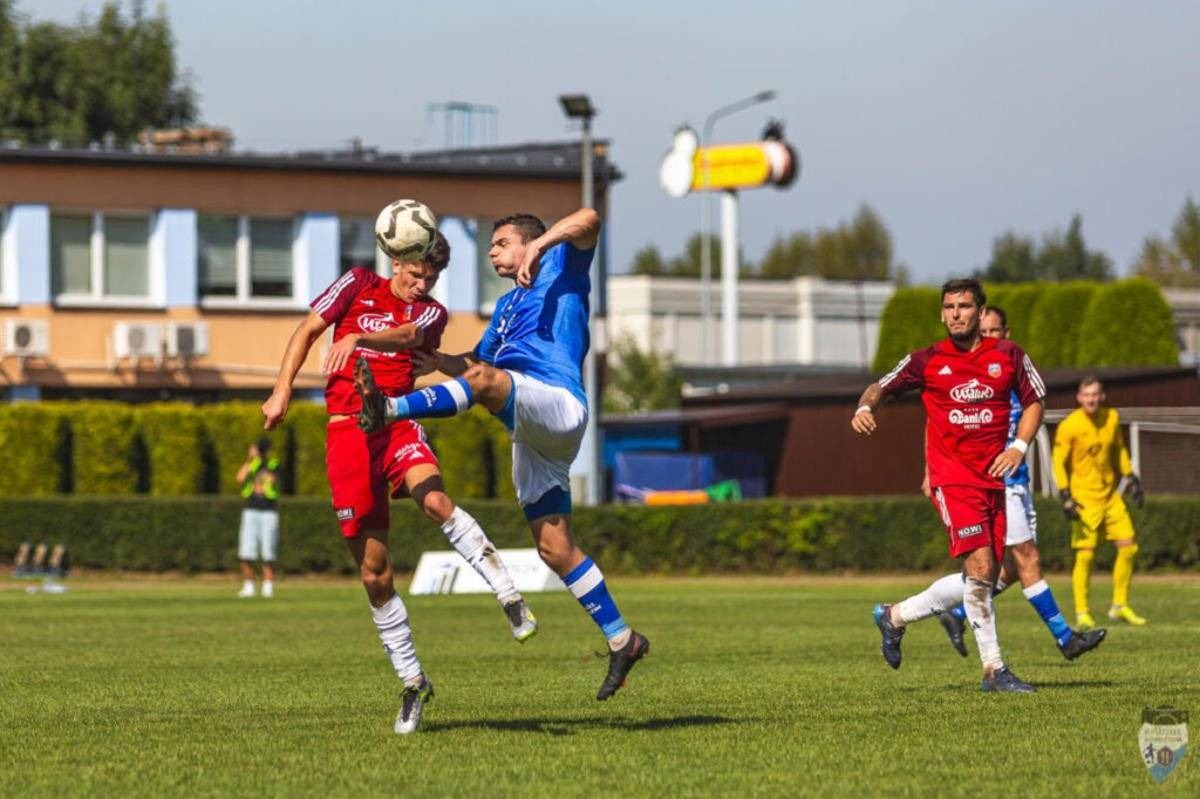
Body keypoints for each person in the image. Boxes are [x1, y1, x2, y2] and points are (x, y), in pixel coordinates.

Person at [354, 208, 650, 702]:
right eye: (492, 244)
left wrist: (542, 245)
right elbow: (476, 364)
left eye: (503, 242)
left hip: (556, 404)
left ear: (530, 244)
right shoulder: (506, 308)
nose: (492, 251)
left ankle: (388, 410)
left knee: (485, 383)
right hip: (530, 431)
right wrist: (439, 363)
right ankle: (624, 639)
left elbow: (590, 218)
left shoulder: (560, 267)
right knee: (555, 549)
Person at [261, 231, 536, 735]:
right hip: (346, 436)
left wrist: (357, 338)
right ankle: (412, 682)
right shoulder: (355, 283)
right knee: (374, 574)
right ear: (394, 261)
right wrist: (281, 393)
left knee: (434, 500)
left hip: (396, 424)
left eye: (431, 277)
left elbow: (410, 337)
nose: (421, 284)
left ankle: (509, 595)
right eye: (414, 274)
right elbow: (305, 330)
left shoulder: (432, 314)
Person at [852, 278, 1045, 693]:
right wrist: (865, 406)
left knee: (985, 575)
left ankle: (894, 616)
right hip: (952, 478)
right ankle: (994, 670)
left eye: (964, 306)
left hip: (993, 480)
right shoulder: (927, 360)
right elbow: (881, 386)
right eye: (949, 307)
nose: (955, 313)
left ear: (980, 312)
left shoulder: (1008, 355)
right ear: (942, 313)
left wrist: (1018, 446)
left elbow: (1034, 400)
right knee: (980, 568)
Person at [897, 307, 1106, 661]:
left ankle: (952, 613)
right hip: (993, 481)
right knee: (1027, 559)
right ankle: (1064, 638)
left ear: (1006, 333)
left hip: (1018, 482)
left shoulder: (1010, 370)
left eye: (996, 331)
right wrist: (931, 470)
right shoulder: (970, 374)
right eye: (985, 330)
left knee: (1006, 568)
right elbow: (939, 423)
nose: (989, 336)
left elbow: (1034, 406)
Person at [1053, 377, 1146, 628]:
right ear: (1079, 398)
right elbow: (1058, 461)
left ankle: (1120, 605)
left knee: (1128, 547)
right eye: (1087, 395)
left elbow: (1119, 449)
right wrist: (1064, 494)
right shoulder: (1070, 425)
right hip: (1084, 498)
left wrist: (1130, 475)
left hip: (1110, 496)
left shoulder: (1112, 417)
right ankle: (1082, 612)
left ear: (1102, 396)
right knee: (1085, 556)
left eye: (1095, 394)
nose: (1091, 399)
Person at [236, 437, 280, 598]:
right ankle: (249, 585)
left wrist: (264, 462)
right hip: (251, 510)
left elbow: (272, 479)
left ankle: (268, 586)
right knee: (246, 550)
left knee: (269, 550)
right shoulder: (251, 464)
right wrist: (249, 459)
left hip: (269, 511)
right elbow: (240, 478)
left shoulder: (273, 464)